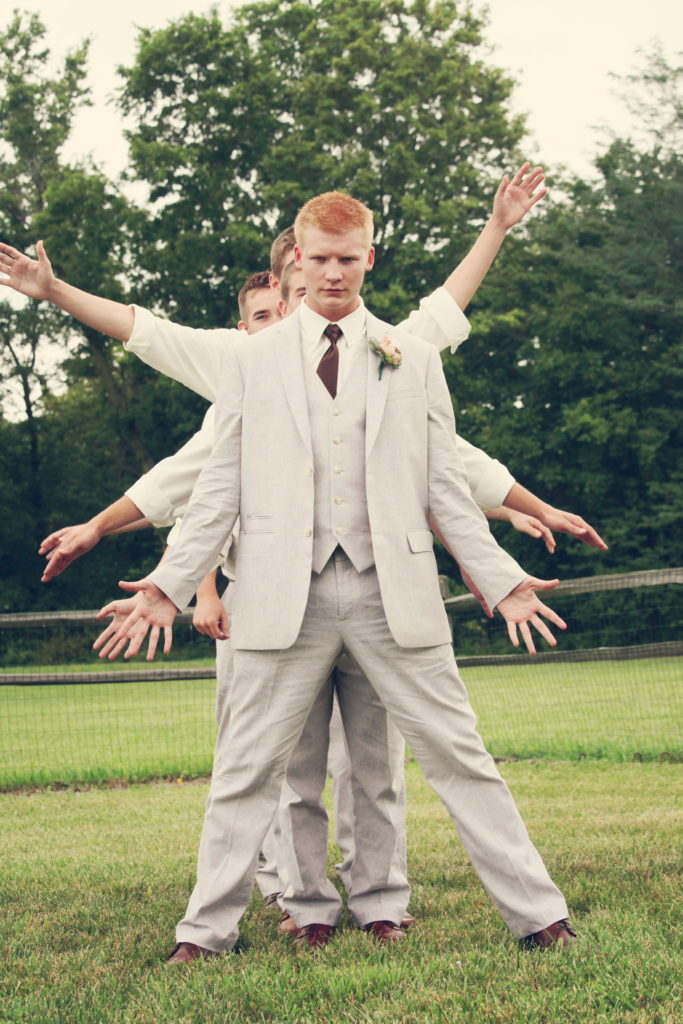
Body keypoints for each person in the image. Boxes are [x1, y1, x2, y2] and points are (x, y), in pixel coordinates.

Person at [91, 189, 579, 962]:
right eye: (317, 259)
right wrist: (167, 585)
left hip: (397, 594)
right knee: (244, 772)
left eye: (347, 260)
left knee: (461, 758)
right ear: (297, 262)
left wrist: (500, 577)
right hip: (279, 599)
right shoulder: (249, 361)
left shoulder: (408, 356)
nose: (332, 274)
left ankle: (538, 915)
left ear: (367, 260)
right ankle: (205, 931)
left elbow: (443, 484)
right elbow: (219, 486)